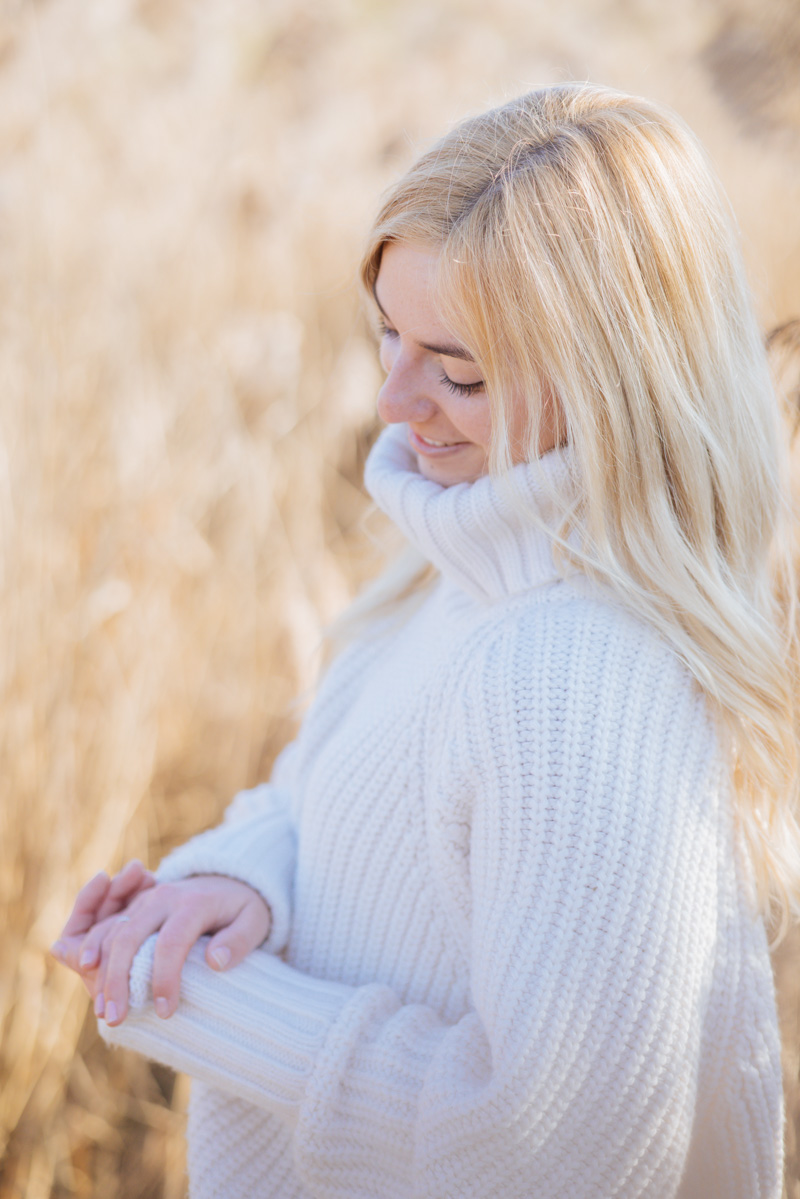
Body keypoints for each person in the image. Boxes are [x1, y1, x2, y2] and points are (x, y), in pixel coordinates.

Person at [51, 82, 800, 1198]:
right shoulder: (453, 559)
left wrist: (202, 997)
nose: (395, 399)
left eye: (459, 371)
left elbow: (552, 1155)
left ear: (615, 378)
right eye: (387, 335)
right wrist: (237, 883)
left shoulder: (574, 676)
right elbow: (318, 791)